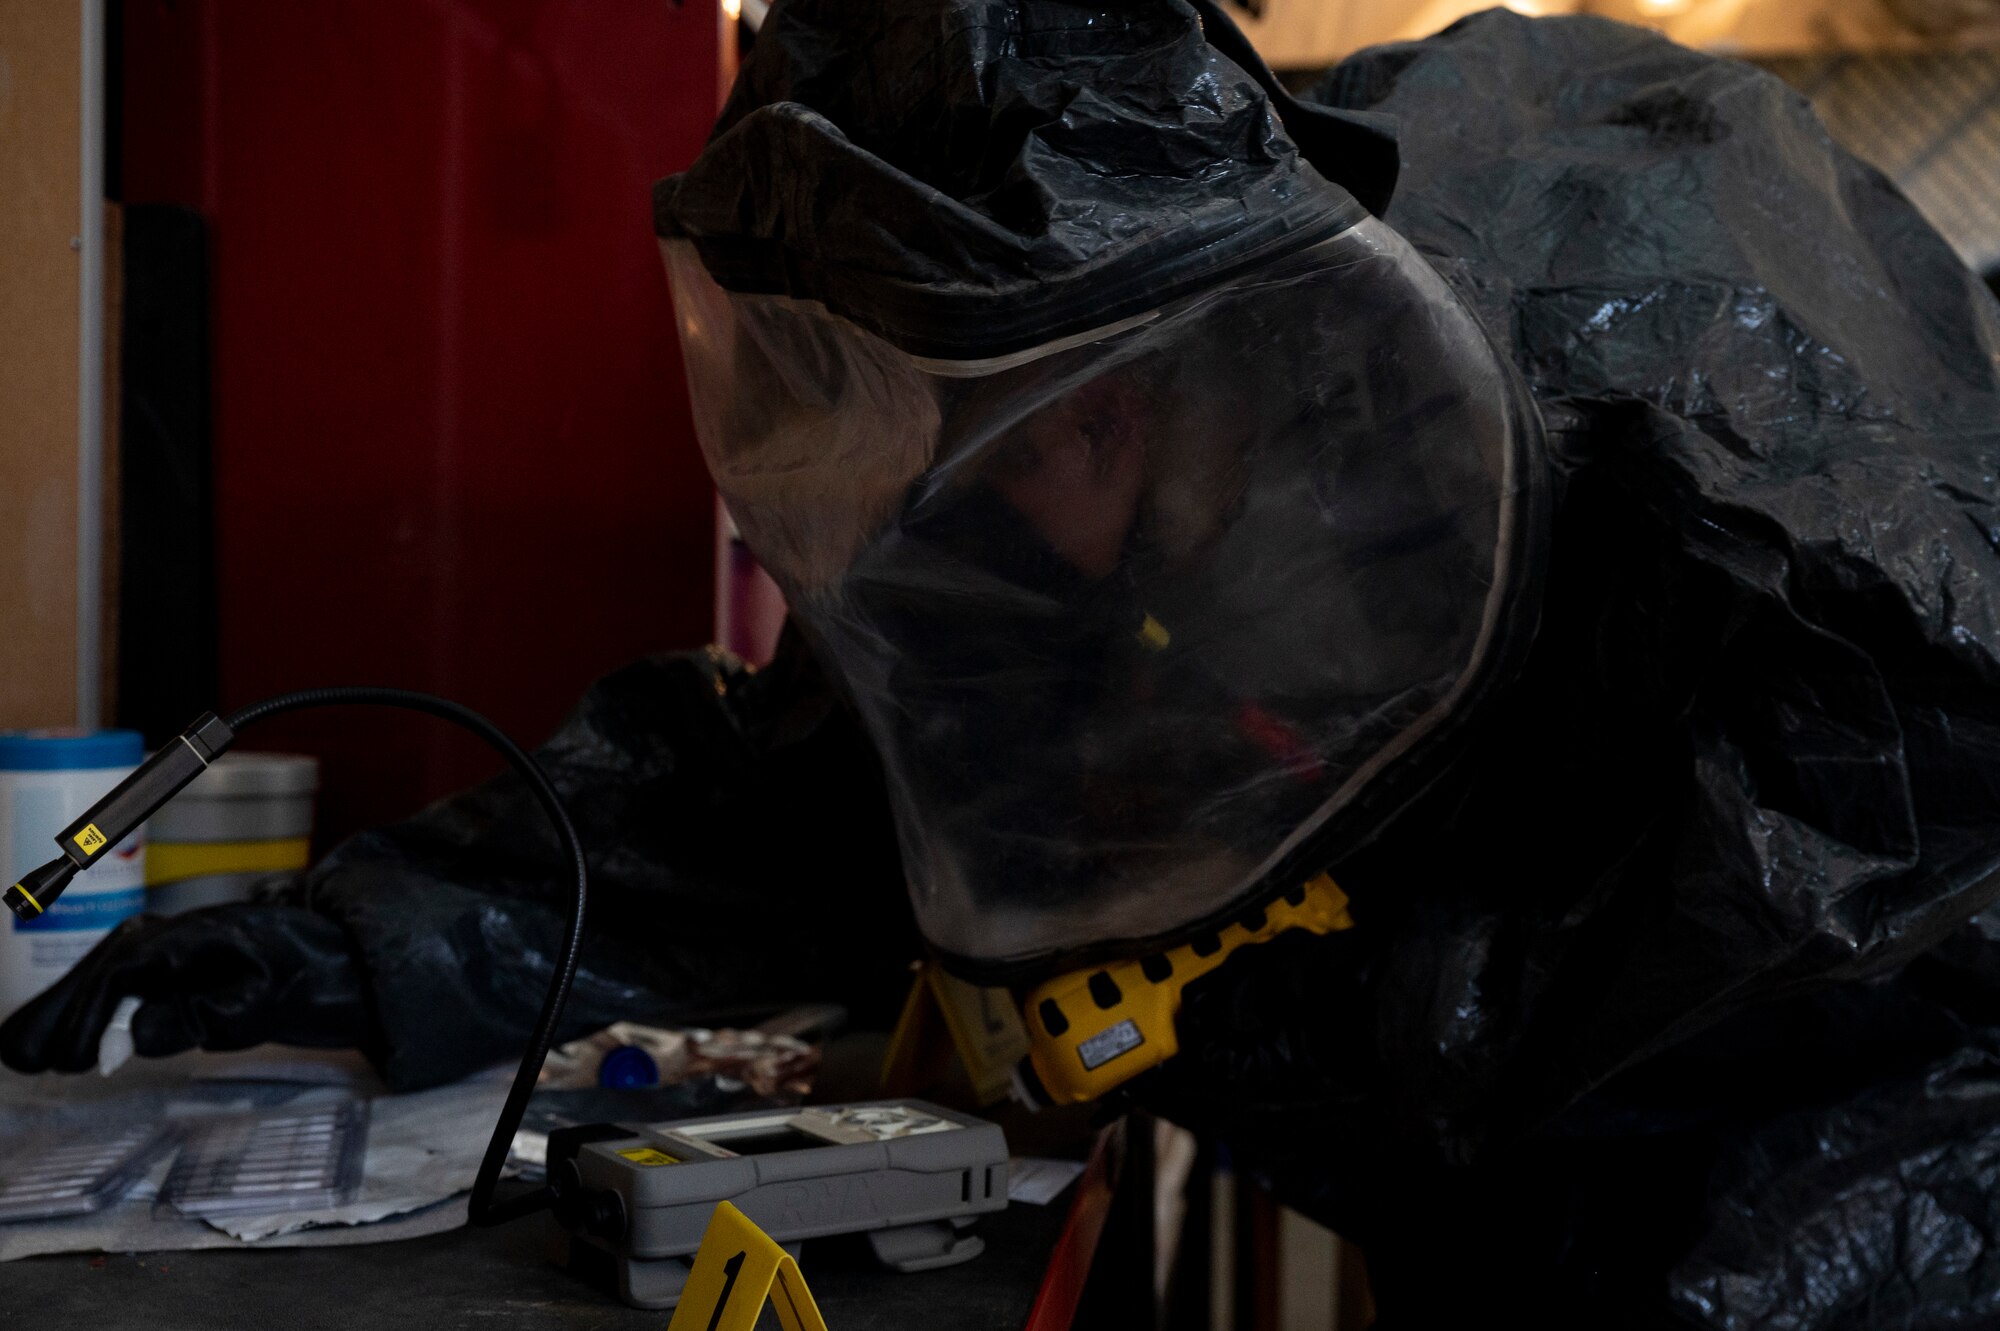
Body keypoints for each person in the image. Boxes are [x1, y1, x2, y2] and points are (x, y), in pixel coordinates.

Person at [11, 5, 2000, 1324]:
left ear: (1229, 324)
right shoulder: (1023, 466)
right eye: (955, 429)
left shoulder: (1726, 445)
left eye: (1070, 419)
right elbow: (777, 801)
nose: (1022, 491)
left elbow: (1919, 1000)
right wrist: (346, 940)